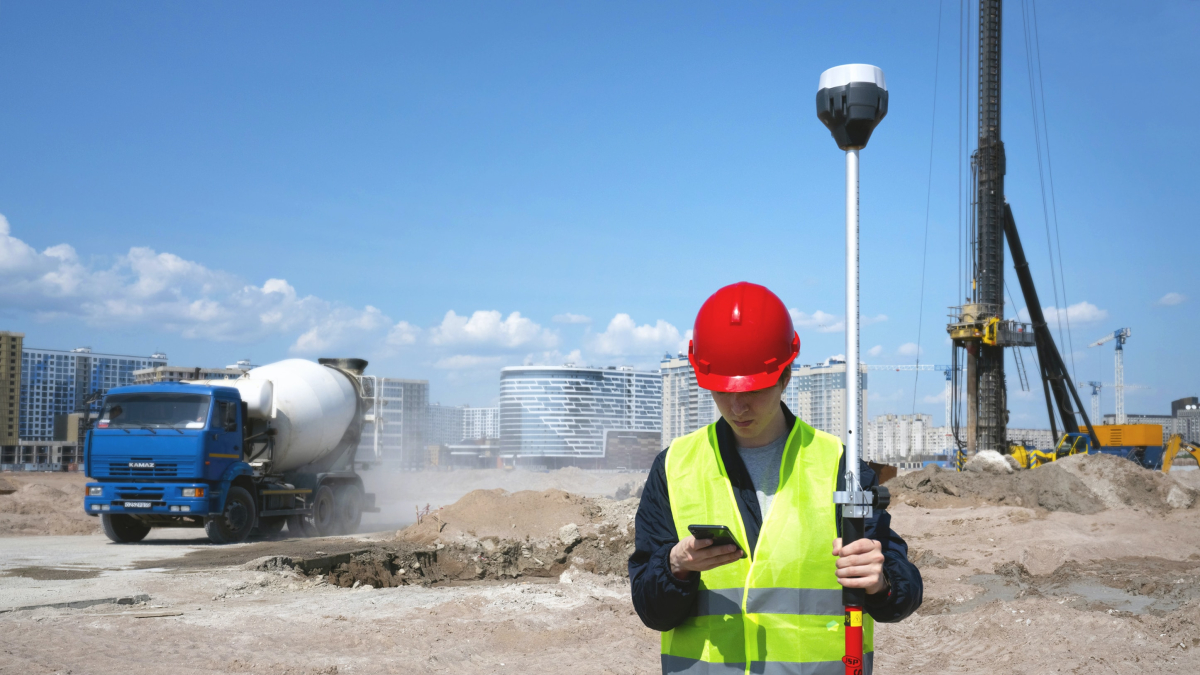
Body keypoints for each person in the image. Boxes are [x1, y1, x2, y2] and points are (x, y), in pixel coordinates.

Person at [629, 282, 922, 675]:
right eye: (723, 390)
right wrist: (675, 566)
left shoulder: (839, 466)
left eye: (753, 390)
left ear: (785, 376)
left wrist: (880, 580)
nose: (738, 407)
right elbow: (650, 609)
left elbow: (903, 593)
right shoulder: (674, 467)